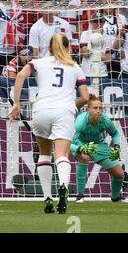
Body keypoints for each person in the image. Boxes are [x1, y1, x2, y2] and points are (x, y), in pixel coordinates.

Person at [8, 33, 89, 214]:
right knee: (62, 154)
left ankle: (46, 197)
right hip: (63, 112)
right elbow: (85, 97)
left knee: (44, 154)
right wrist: (72, 108)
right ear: (68, 48)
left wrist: (16, 104)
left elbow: (20, 75)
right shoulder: (75, 67)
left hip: (41, 110)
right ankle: (63, 187)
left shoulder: (39, 63)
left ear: (49, 48)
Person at [71, 94, 128, 203]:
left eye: (100, 108)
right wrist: (82, 149)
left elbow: (115, 134)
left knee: (119, 174)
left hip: (98, 143)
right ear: (88, 110)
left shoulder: (105, 120)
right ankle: (80, 195)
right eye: (95, 108)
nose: (98, 111)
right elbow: (68, 144)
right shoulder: (80, 123)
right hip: (80, 143)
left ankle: (115, 197)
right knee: (84, 157)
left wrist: (116, 147)